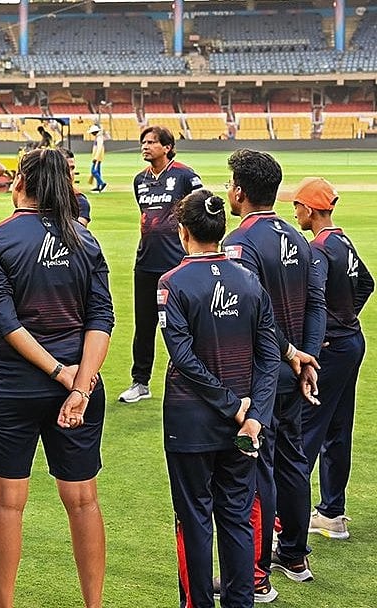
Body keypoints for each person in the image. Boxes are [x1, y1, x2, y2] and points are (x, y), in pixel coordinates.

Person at [0, 147, 113, 608]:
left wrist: (61, 373)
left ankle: (3, 606)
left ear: (21, 184)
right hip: (79, 389)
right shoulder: (86, 240)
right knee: (83, 501)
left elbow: (7, 322)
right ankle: (94, 604)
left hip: (12, 387)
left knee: (8, 504)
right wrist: (79, 385)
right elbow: (102, 318)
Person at [158, 189, 279, 608]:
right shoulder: (248, 279)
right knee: (237, 518)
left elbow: (183, 357)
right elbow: (269, 354)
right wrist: (255, 414)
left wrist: (232, 404)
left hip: (191, 423)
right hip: (244, 425)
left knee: (193, 520)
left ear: (183, 231)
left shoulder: (171, 283)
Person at [222, 149, 325, 601]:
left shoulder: (239, 242)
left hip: (263, 373)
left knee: (257, 467)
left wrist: (285, 356)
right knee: (295, 461)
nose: (228, 191)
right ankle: (295, 557)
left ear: (240, 190)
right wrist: (307, 357)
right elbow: (316, 304)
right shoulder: (299, 239)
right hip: (295, 370)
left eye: (230, 184)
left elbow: (248, 313)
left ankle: (257, 577)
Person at [287, 178, 373, 541]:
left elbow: (315, 299)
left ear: (308, 209)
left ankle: (287, 524)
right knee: (338, 428)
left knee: (306, 431)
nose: (295, 213)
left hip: (331, 350)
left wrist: (320, 336)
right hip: (352, 342)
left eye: (297, 207)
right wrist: (347, 317)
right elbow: (367, 283)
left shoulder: (317, 248)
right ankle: (332, 513)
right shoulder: (343, 240)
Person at [119, 126, 203, 404]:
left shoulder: (185, 175)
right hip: (146, 262)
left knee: (187, 323)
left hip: (177, 262)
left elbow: (203, 207)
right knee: (144, 325)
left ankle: (197, 377)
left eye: (152, 142)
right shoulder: (138, 180)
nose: (146, 146)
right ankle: (140, 382)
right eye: (143, 142)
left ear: (167, 147)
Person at [59, 147, 92, 226]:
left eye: (72, 168)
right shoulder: (36, 198)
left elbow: (78, 232)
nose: (70, 173)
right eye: (66, 168)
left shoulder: (79, 201)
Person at [88, 125, 106, 192]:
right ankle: (98, 186)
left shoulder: (99, 138)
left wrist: (96, 158)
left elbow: (99, 148)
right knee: (98, 171)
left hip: (97, 158)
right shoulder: (98, 137)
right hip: (97, 158)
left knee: (93, 171)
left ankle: (102, 183)